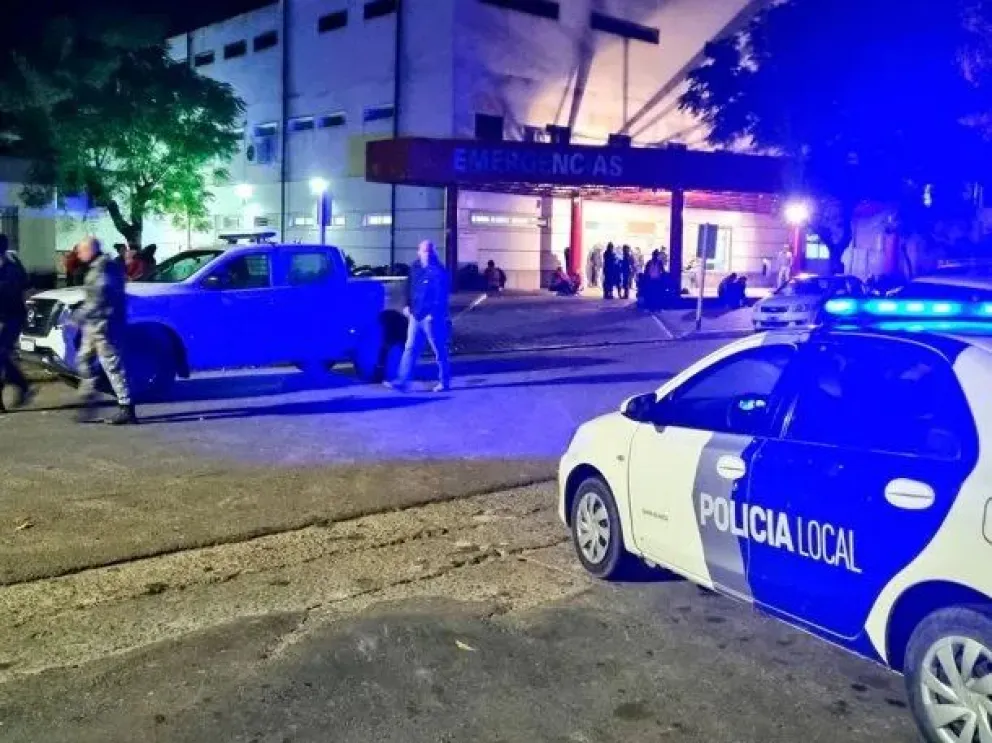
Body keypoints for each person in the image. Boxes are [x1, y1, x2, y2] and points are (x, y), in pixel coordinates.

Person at [73, 237, 136, 425]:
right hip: (95, 324)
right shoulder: (100, 266)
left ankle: (127, 407)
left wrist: (78, 315)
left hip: (105, 324)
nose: (78, 254)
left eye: (81, 250)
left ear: (91, 250)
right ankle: (89, 398)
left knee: (112, 365)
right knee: (84, 359)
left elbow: (99, 298)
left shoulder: (104, 268)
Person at [386, 240, 450, 393]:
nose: (427, 254)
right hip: (416, 315)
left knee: (439, 349)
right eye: (424, 251)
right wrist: (407, 305)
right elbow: (409, 287)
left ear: (434, 253)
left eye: (430, 251)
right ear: (419, 252)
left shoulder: (439, 271)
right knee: (410, 348)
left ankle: (444, 381)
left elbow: (441, 295)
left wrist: (433, 313)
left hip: (431, 318)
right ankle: (403, 381)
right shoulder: (415, 268)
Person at [0, 235, 34, 412]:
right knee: (2, 356)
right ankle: (21, 383)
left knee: (0, 354)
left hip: (13, 317)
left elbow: (26, 288)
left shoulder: (13, 267)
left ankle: (19, 385)